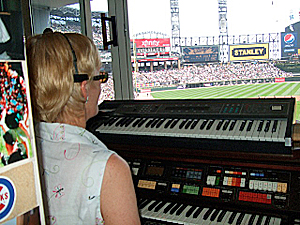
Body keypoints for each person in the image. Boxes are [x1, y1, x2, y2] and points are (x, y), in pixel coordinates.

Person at [26, 30, 141, 224]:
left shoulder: (23, 152)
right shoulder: (110, 169)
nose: (101, 87)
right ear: (83, 88)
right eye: (99, 77)